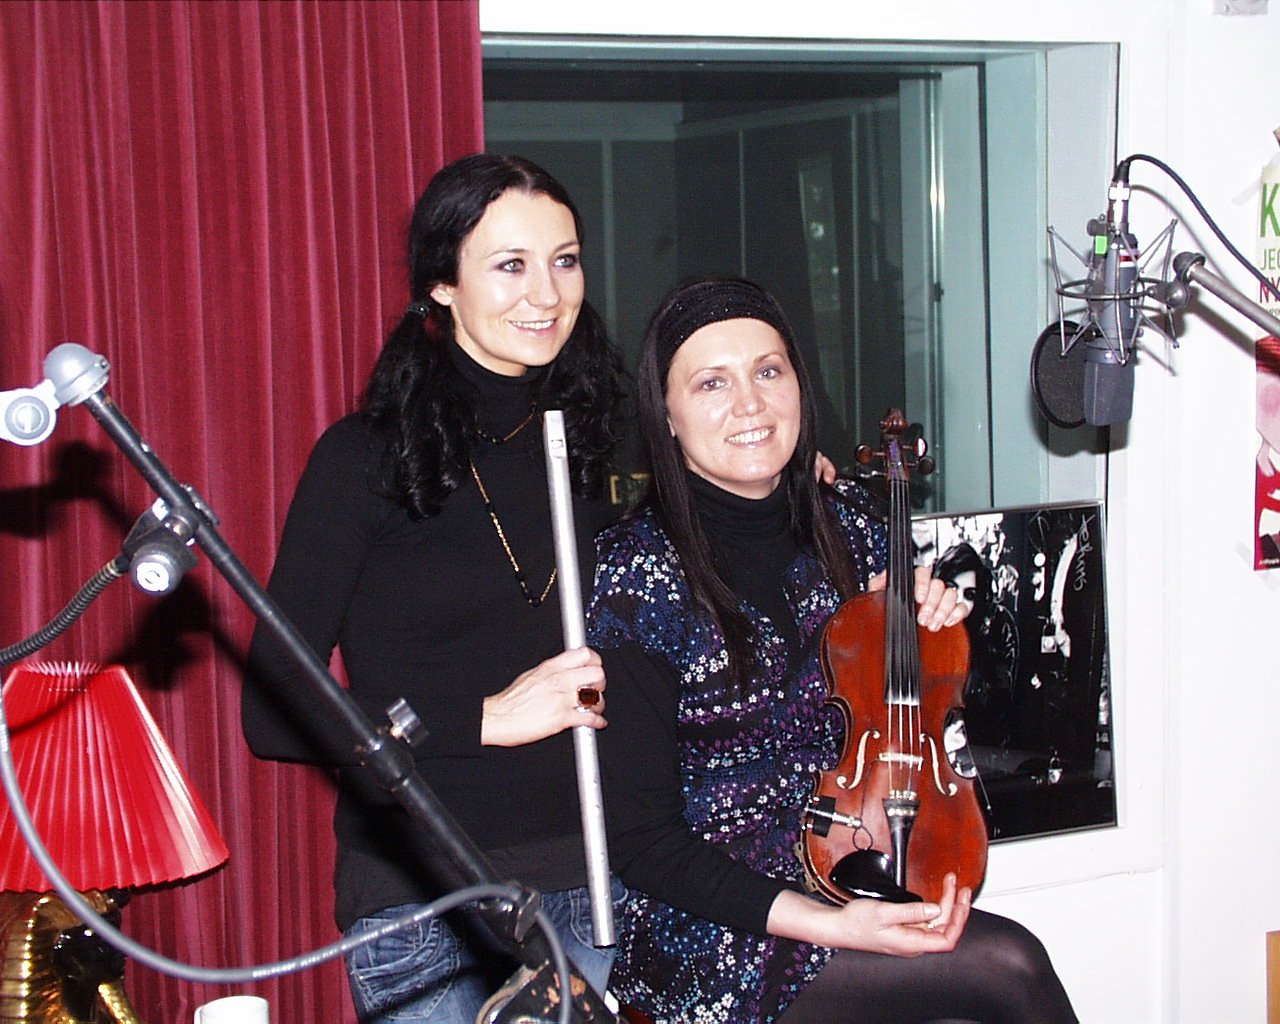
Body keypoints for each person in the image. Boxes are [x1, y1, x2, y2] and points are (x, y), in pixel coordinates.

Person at [586, 277, 1078, 1023]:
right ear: (668, 416)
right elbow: (643, 841)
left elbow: (907, 724)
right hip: (717, 921)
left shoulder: (850, 527)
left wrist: (929, 626)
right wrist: (827, 924)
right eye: (712, 382)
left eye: (769, 371)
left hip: (857, 860)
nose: (750, 404)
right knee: (1011, 968)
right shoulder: (638, 570)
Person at [241, 153, 627, 1024]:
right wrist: (488, 717)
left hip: (586, 883)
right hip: (426, 901)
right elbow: (273, 706)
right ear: (442, 284)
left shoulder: (590, 442)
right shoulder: (363, 457)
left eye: (565, 260)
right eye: (510, 265)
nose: (547, 292)